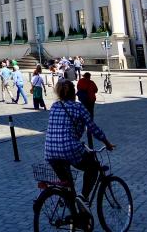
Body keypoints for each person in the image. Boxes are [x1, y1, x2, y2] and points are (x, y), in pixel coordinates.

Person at [45, 80, 115, 211]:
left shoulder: (55, 106)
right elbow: (93, 128)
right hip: (69, 148)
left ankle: (76, 219)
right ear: (74, 93)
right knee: (93, 167)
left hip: (50, 151)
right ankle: (83, 198)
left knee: (68, 187)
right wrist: (107, 143)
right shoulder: (78, 107)